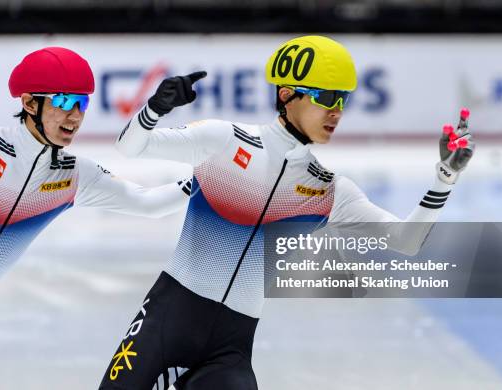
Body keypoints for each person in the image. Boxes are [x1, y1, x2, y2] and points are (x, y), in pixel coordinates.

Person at [99, 35, 474, 390]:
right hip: (169, 318)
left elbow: (407, 242)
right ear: (286, 94)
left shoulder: (329, 188)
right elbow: (131, 147)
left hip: (229, 347)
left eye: (343, 100)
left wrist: (445, 179)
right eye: (327, 98)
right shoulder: (223, 139)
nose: (336, 112)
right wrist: (155, 109)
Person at [0, 47, 190, 389]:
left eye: (81, 104)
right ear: (29, 104)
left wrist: (206, 178)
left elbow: (148, 204)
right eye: (64, 103)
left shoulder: (73, 175)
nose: (75, 117)